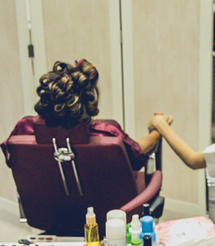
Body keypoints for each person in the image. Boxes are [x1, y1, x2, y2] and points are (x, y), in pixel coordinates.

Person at [8, 59, 163, 172]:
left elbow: (12, 161)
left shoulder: (24, 130)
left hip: (47, 207)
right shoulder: (106, 135)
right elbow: (137, 152)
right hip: (109, 207)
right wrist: (158, 129)